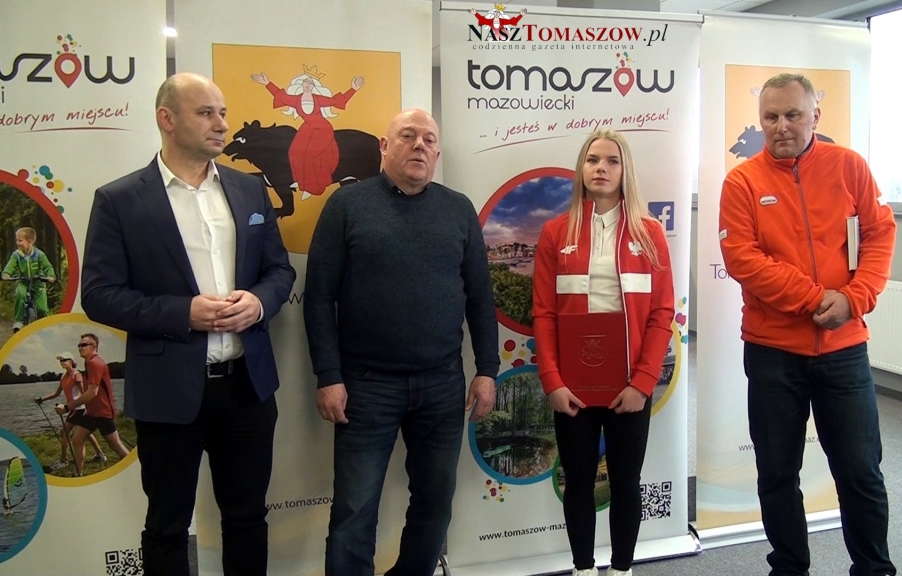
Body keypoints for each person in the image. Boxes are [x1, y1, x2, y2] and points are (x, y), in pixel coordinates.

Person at [80, 72, 296, 576]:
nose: (221, 124)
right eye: (206, 113)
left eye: (223, 113)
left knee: (247, 519)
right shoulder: (120, 199)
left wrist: (258, 303)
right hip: (168, 390)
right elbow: (99, 295)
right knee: (167, 525)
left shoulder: (249, 190)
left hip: (247, 387)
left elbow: (279, 271)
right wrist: (183, 313)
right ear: (167, 119)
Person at [304, 108, 499, 576]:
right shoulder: (347, 205)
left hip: (442, 384)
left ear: (438, 154)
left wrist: (487, 370)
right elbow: (319, 297)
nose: (419, 145)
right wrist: (328, 375)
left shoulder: (458, 209)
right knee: (354, 511)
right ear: (384, 146)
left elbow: (480, 297)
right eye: (408, 136)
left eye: (428, 139)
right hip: (365, 386)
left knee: (435, 505)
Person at [719, 73, 898, 576]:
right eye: (770, 117)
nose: (781, 126)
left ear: (815, 115)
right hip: (773, 353)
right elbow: (743, 259)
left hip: (844, 350)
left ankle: (875, 569)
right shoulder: (742, 182)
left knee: (861, 471)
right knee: (777, 474)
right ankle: (789, 568)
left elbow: (880, 234)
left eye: (792, 115)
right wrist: (818, 299)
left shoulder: (849, 167)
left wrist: (854, 300)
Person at [532, 129, 675, 576]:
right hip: (572, 387)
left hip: (631, 385)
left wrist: (644, 383)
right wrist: (552, 381)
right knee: (577, 480)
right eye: (592, 159)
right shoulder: (556, 233)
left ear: (624, 170)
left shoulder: (650, 234)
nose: (601, 168)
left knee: (626, 482)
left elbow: (662, 313)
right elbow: (544, 314)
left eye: (612, 161)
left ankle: (622, 569)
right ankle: (582, 569)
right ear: (581, 168)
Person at [251, 67, 364, 200]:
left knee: (311, 154)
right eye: (306, 82)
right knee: (294, 153)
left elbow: (338, 101)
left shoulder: (318, 99)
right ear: (302, 84)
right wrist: (267, 83)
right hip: (307, 129)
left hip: (322, 129)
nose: (308, 84)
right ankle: (301, 182)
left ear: (314, 86)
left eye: (310, 83)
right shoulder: (296, 100)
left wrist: (353, 89)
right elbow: (280, 96)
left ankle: (312, 187)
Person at [55, 332, 131, 473]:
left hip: (103, 413)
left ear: (94, 346)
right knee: (77, 440)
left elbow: (92, 392)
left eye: (84, 345)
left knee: (116, 446)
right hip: (92, 413)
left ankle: (134, 468)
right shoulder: (89, 363)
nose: (80, 348)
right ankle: (79, 474)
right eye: (79, 345)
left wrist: (67, 407)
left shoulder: (95, 363)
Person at [36, 351, 106, 471]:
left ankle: (63, 460)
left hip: (79, 409)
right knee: (86, 433)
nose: (62, 362)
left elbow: (84, 393)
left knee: (64, 432)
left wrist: (91, 407)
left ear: (71, 361)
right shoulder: (64, 376)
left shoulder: (76, 375)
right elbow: (57, 393)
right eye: (60, 361)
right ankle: (100, 455)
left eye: (64, 360)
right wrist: (42, 399)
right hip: (73, 409)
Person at [1, 227, 56, 331]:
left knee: (42, 308)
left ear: (30, 241)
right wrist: (6, 274)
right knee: (20, 294)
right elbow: (10, 266)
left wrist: (51, 276)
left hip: (38, 283)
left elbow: (48, 267)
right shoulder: (17, 255)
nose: (17, 243)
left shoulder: (39, 255)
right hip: (23, 282)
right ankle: (19, 321)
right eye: (17, 240)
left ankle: (45, 326)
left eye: (20, 240)